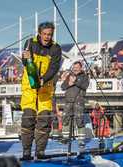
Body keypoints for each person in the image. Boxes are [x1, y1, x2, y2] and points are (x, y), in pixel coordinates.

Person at [20, 21, 62, 160]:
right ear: (39, 33)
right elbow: (25, 63)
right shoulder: (30, 43)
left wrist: (44, 79)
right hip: (29, 87)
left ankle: (40, 151)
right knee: (28, 118)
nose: (47, 37)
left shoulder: (56, 48)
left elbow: (54, 67)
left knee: (44, 120)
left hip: (45, 88)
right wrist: (25, 59)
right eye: (44, 34)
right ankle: (26, 151)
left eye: (49, 34)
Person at [60, 61, 90, 147]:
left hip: (78, 101)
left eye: (77, 67)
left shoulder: (84, 76)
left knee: (79, 120)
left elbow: (85, 86)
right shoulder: (69, 76)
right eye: (74, 67)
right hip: (68, 101)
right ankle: (65, 138)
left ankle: (81, 141)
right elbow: (63, 87)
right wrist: (69, 83)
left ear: (81, 68)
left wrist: (75, 81)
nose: (75, 68)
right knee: (65, 119)